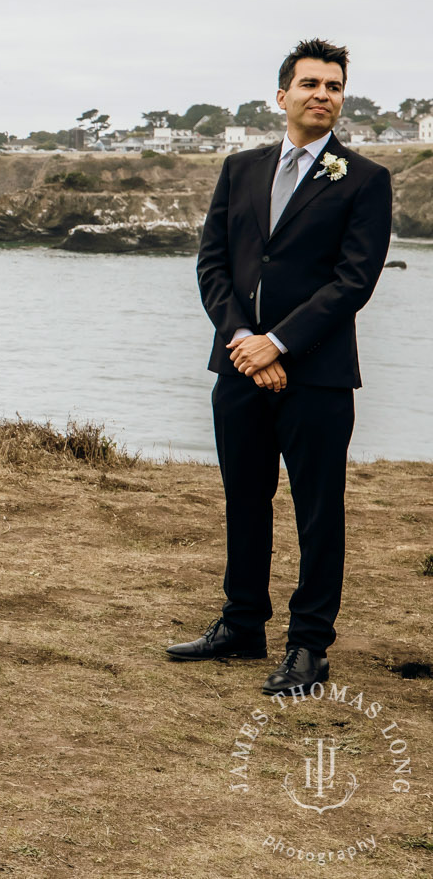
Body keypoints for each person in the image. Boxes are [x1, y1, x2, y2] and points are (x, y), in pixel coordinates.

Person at [172, 39, 393, 696]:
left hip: (318, 375)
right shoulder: (241, 168)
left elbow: (353, 281)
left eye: (334, 85)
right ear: (282, 95)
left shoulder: (361, 178)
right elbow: (213, 265)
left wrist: (281, 345)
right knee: (245, 497)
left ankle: (309, 646)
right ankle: (242, 623)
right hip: (238, 366)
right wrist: (244, 339)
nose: (322, 94)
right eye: (310, 83)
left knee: (317, 510)